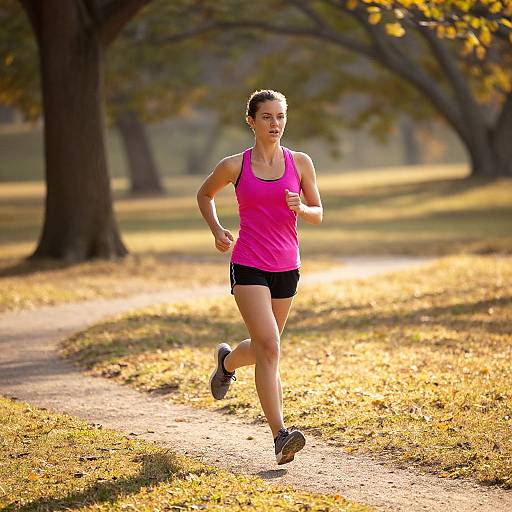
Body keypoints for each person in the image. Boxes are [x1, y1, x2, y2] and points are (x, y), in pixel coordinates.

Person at [196, 89, 323, 465]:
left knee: (263, 347)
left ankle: (227, 363)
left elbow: (319, 212)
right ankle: (280, 435)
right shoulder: (235, 165)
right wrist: (218, 231)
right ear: (251, 121)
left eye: (280, 116)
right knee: (270, 346)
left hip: (287, 267)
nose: (275, 124)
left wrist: (302, 206)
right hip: (249, 263)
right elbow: (205, 195)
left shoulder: (300, 162)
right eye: (267, 117)